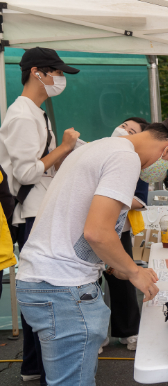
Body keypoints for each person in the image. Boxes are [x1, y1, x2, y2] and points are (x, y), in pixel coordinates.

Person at [16, 112, 168, 386]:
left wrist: (113, 266)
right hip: (64, 289)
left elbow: (73, 223)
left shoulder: (99, 147)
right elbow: (97, 232)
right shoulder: (125, 157)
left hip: (44, 281)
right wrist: (133, 271)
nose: (164, 173)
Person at [0, 47, 81, 384]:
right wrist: (63, 148)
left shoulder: (36, 111)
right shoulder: (21, 115)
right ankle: (37, 366)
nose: (59, 79)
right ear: (37, 72)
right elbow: (27, 172)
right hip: (30, 214)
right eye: (55, 72)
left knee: (42, 290)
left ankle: (34, 365)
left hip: (40, 210)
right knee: (44, 292)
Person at [100, 117, 150, 353]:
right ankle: (96, 335)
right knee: (89, 283)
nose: (124, 132)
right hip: (90, 227)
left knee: (122, 280)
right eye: (124, 126)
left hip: (120, 229)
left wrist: (110, 194)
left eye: (132, 131)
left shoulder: (136, 163)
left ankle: (129, 331)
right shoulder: (95, 151)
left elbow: (140, 201)